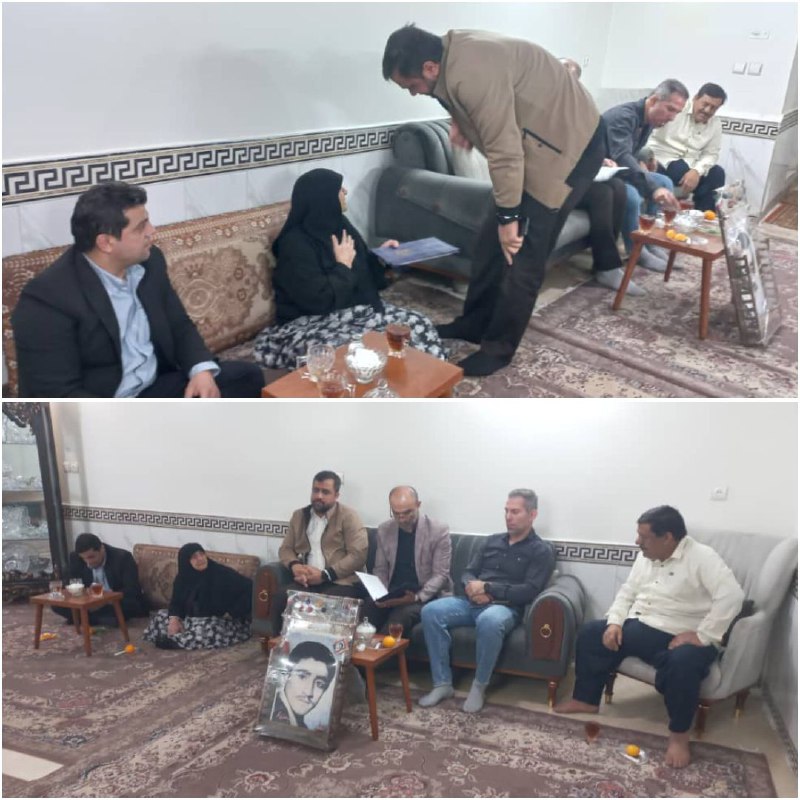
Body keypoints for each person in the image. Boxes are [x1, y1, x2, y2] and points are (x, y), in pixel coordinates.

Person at [383, 26, 606, 376]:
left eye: (411, 85)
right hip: (538, 139)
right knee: (489, 243)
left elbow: (506, 151)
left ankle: (499, 349)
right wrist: (460, 122)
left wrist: (509, 218)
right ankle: (474, 322)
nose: (413, 93)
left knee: (523, 253)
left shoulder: (472, 71)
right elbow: (462, 98)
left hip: (572, 148)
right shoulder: (449, 54)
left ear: (429, 67)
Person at [11, 181, 265, 398]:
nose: (152, 232)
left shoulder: (150, 262)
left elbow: (179, 324)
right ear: (106, 242)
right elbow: (56, 394)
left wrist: (200, 370)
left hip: (154, 387)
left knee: (247, 377)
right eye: (141, 227)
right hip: (105, 405)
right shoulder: (47, 299)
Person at [554, 506, 744, 769]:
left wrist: (703, 635)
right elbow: (627, 592)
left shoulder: (702, 557)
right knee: (591, 633)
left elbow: (732, 596)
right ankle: (585, 699)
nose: (637, 542)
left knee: (682, 664)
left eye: (644, 537)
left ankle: (679, 736)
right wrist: (615, 622)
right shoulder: (646, 556)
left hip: (683, 635)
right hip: (642, 625)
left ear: (668, 537)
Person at [253, 168, 446, 368]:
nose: (345, 191)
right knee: (350, 351)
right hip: (312, 322)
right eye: (338, 189)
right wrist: (343, 266)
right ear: (323, 197)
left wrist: (381, 257)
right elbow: (316, 301)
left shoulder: (341, 225)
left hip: (358, 312)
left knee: (418, 324)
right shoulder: (295, 244)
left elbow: (365, 274)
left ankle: (423, 382)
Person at [418, 489, 555, 713]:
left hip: (504, 607)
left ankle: (479, 686)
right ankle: (442, 683)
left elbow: (529, 591)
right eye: (506, 511)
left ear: (532, 515)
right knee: (431, 611)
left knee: (490, 620)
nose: (508, 517)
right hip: (470, 601)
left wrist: (489, 589)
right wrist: (472, 587)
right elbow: (468, 572)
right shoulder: (491, 541)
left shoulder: (540, 550)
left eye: (515, 512)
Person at [559, 56, 644, 297]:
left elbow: (581, 147)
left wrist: (599, 161)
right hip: (551, 181)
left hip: (569, 176)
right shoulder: (542, 105)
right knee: (602, 194)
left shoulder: (576, 109)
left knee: (617, 186)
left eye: (573, 80)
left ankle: (607, 262)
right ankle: (607, 266)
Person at [602, 81, 687, 272]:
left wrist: (641, 161)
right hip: (602, 171)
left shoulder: (647, 120)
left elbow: (630, 152)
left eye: (677, 113)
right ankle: (636, 250)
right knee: (632, 194)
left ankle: (649, 241)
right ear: (654, 100)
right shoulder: (623, 117)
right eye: (670, 109)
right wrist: (653, 189)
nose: (672, 118)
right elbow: (622, 156)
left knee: (664, 181)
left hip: (619, 169)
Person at [275, 471, 368, 618]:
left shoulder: (349, 516)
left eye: (325, 492)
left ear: (336, 495)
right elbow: (285, 549)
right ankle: (280, 634)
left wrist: (325, 575)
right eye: (315, 490)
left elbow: (358, 555)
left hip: (341, 582)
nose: (319, 496)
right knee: (282, 597)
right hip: (308, 581)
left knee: (325, 604)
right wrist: (295, 566)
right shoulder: (300, 516)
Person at [364, 486, 453, 636]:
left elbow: (440, 575)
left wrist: (417, 597)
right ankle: (359, 650)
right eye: (396, 513)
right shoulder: (385, 529)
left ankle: (382, 651)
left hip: (425, 595)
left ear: (418, 505)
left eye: (407, 512)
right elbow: (380, 569)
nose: (402, 518)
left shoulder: (438, 530)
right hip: (393, 592)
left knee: (399, 617)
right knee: (367, 609)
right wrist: (382, 595)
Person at [143, 543, 253, 650]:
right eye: (194, 557)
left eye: (202, 554)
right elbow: (176, 602)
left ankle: (177, 641)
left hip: (219, 621)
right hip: (191, 619)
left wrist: (233, 612)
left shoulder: (221, 573)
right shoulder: (183, 577)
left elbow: (250, 588)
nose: (200, 559)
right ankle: (179, 637)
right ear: (186, 561)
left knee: (205, 629)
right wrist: (174, 620)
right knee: (160, 616)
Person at [648, 83, 728, 212]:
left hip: (690, 165)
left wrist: (697, 171)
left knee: (717, 173)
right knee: (679, 168)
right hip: (662, 159)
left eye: (713, 108)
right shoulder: (677, 109)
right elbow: (650, 129)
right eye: (705, 104)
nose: (707, 110)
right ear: (695, 98)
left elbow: (711, 154)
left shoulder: (715, 124)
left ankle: (703, 217)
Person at [52, 532, 148, 626]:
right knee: (56, 604)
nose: (88, 562)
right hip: (89, 602)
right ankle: (98, 619)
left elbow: (132, 589)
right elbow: (70, 583)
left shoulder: (122, 558)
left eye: (91, 557)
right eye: (84, 558)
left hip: (113, 601)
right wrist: (86, 598)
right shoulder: (75, 558)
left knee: (128, 606)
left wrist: (105, 599)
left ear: (102, 549)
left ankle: (83, 618)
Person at [271, 641, 337, 728]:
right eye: (302, 676)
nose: (309, 692)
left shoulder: (302, 726)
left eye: (320, 684)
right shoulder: (275, 718)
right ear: (286, 675)